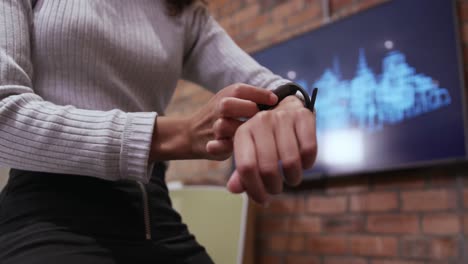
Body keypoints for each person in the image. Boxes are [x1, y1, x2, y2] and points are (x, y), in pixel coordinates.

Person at [0, 0, 317, 263]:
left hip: (152, 214)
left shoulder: (183, 11)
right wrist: (180, 134)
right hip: (47, 212)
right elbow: (4, 113)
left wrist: (290, 105)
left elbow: (273, 88)